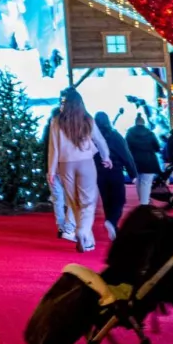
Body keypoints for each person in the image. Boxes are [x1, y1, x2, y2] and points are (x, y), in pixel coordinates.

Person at [47, 88, 111, 253]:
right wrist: (106, 157)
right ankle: (82, 232)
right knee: (88, 202)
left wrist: (51, 171)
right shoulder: (87, 119)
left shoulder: (56, 121)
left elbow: (53, 148)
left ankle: (87, 240)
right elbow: (100, 140)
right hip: (86, 163)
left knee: (74, 201)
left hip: (64, 164)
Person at [94, 110, 135, 240]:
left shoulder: (92, 137)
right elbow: (126, 155)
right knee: (119, 199)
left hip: (99, 173)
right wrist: (132, 173)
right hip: (115, 171)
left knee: (107, 200)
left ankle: (112, 224)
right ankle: (112, 221)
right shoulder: (115, 136)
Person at [41, 101, 70, 239]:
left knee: (57, 198)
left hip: (52, 168)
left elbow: (46, 150)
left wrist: (47, 168)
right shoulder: (65, 130)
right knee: (70, 198)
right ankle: (69, 227)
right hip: (66, 166)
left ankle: (61, 226)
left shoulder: (48, 131)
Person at [126, 113, 163, 207]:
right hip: (149, 161)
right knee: (146, 183)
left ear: (135, 123)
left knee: (138, 181)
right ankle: (144, 203)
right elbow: (157, 148)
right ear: (144, 123)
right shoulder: (150, 133)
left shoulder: (129, 133)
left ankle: (142, 200)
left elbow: (126, 148)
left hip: (135, 162)